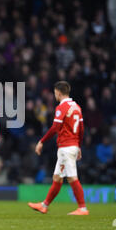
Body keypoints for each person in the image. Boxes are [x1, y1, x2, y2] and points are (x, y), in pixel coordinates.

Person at [28, 81, 88, 215]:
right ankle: (44, 205)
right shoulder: (77, 107)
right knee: (57, 177)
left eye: (55, 93)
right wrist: (78, 146)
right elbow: (81, 129)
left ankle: (82, 208)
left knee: (72, 178)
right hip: (71, 146)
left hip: (66, 147)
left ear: (58, 93)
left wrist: (41, 141)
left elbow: (55, 127)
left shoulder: (62, 107)